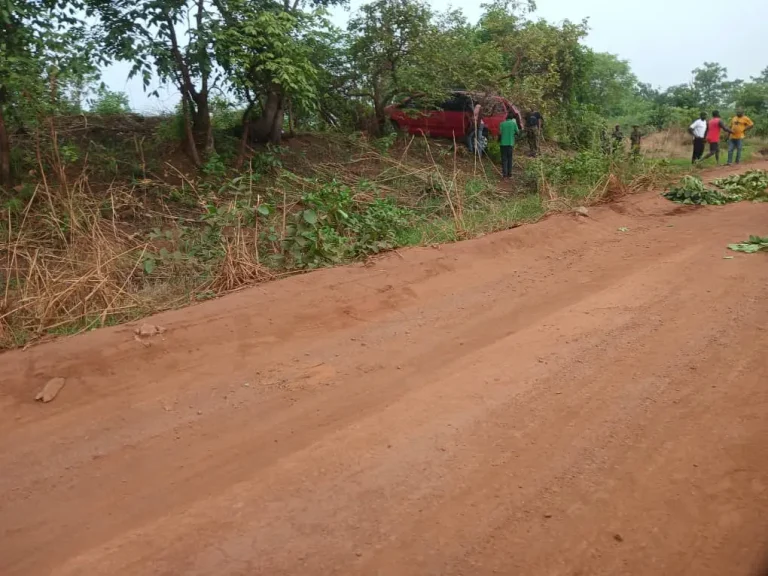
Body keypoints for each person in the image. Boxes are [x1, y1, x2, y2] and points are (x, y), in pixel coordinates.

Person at [498, 111, 520, 178]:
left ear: (506, 118)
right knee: (510, 159)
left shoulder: (502, 124)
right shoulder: (513, 124)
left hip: (503, 144)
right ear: (512, 118)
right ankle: (509, 174)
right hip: (510, 144)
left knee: (504, 159)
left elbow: (499, 134)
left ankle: (504, 174)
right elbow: (518, 132)